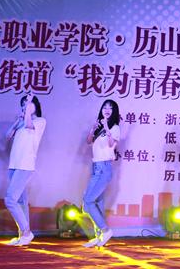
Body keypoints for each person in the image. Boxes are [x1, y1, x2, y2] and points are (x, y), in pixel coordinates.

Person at [5, 94, 46, 246]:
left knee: (10, 200)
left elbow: (29, 125)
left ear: (36, 106)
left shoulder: (40, 121)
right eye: (23, 104)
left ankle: (27, 233)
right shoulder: (21, 122)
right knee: (21, 201)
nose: (25, 106)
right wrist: (18, 120)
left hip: (25, 165)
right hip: (14, 165)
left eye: (28, 104)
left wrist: (27, 111)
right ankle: (23, 235)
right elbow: (7, 135)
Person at [82, 99, 121, 248]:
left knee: (88, 201)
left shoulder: (115, 128)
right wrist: (93, 129)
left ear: (114, 111)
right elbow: (88, 141)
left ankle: (105, 231)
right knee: (96, 203)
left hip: (104, 168)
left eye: (110, 108)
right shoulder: (99, 127)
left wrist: (106, 127)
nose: (107, 110)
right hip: (96, 167)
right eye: (105, 107)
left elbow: (111, 145)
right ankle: (99, 236)